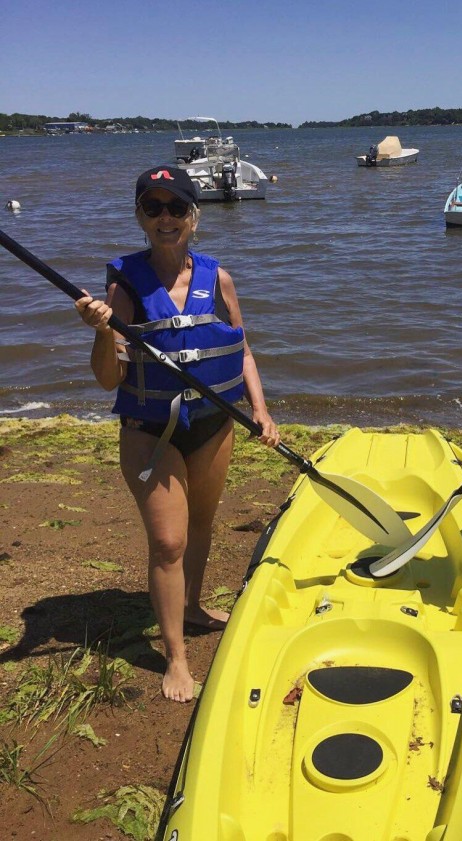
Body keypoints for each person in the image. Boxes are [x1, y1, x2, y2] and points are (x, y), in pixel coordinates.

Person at [76, 165, 280, 703]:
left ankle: (191, 607)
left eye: (176, 208)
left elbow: (243, 350)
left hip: (214, 425)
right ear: (140, 216)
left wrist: (261, 410)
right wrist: (102, 332)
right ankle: (176, 657)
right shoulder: (123, 286)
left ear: (194, 214)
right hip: (151, 430)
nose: (165, 218)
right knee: (169, 540)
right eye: (153, 208)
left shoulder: (220, 278)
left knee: (203, 526)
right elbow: (108, 378)